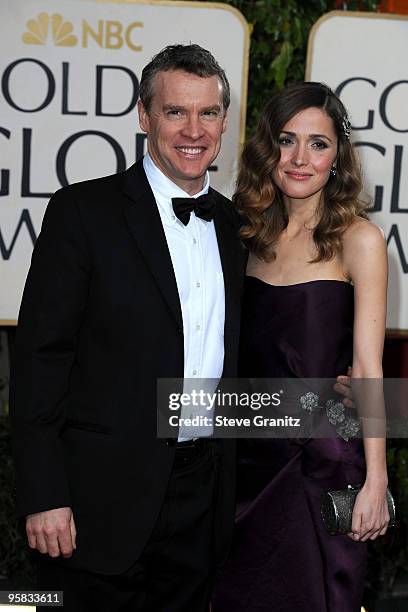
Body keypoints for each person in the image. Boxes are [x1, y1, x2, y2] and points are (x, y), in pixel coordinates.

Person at [10, 44, 246, 612]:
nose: (194, 130)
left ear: (223, 122)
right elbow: (41, 359)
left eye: (208, 113)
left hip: (202, 496)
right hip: (98, 500)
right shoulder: (82, 213)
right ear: (144, 116)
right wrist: (44, 494)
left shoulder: (236, 225)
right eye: (175, 112)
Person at [213, 82, 389, 612]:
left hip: (319, 465)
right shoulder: (244, 238)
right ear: (269, 149)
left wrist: (375, 480)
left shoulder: (359, 240)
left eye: (318, 144)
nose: (300, 158)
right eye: (287, 141)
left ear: (338, 156)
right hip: (242, 461)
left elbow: (367, 368)